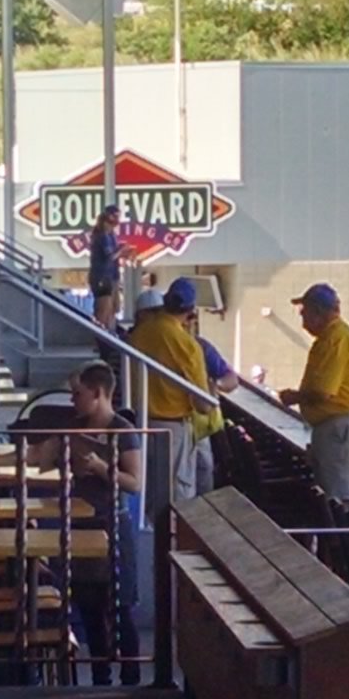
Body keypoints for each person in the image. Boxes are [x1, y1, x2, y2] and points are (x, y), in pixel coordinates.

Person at [13, 361, 142, 685]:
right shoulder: (72, 428)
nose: (73, 400)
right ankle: (100, 675)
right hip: (79, 525)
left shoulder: (123, 431)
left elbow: (133, 482)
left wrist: (100, 467)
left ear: (98, 394)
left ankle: (132, 675)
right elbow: (37, 458)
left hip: (112, 523)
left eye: (78, 394)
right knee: (88, 605)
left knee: (119, 606)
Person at [279, 283, 349, 503]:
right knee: (331, 493)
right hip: (334, 427)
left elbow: (324, 392)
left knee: (341, 498)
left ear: (318, 313)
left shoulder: (336, 339)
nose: (302, 321)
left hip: (341, 428)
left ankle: (346, 538)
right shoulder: (332, 337)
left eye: (304, 313)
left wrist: (294, 397)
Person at [126, 277, 214, 505]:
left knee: (149, 497)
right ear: (190, 311)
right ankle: (174, 541)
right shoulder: (187, 345)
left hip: (142, 423)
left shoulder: (140, 334)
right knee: (178, 497)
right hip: (173, 428)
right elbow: (203, 405)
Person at [186, 292, 238, 496]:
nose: (187, 322)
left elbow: (231, 379)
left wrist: (214, 384)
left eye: (191, 317)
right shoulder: (162, 345)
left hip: (202, 428)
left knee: (204, 472)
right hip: (172, 422)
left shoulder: (202, 347)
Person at [87, 205, 123, 329]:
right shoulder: (102, 235)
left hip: (111, 276)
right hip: (102, 277)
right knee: (103, 310)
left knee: (113, 308)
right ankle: (101, 339)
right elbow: (109, 256)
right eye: (116, 216)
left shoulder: (111, 234)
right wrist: (122, 251)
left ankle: (109, 336)